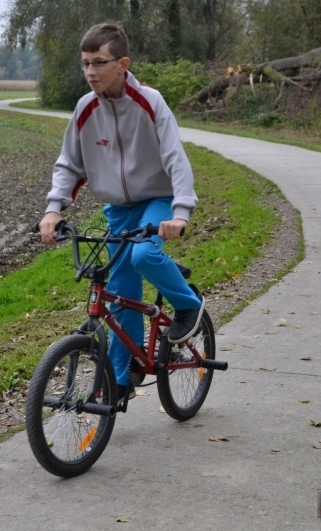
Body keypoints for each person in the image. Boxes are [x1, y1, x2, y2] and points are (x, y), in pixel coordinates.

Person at [37, 22, 205, 402]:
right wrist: (53, 209)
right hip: (118, 209)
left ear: (122, 63)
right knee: (119, 296)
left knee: (145, 253)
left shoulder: (150, 101)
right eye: (85, 64)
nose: (91, 72)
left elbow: (175, 159)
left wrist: (180, 212)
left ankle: (188, 306)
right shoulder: (85, 109)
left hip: (157, 199)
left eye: (99, 63)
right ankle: (120, 381)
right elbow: (70, 165)